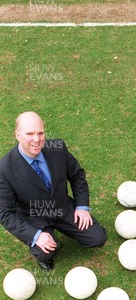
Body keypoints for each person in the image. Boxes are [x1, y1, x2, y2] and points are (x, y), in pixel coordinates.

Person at [0, 111, 107, 271]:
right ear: (17, 134)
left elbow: (77, 175)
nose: (36, 139)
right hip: (34, 217)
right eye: (30, 134)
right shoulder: (4, 169)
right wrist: (35, 236)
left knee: (97, 238)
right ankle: (48, 249)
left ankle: (63, 232)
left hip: (63, 207)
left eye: (40, 133)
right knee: (44, 252)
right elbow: (5, 214)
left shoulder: (57, 149)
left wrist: (82, 207)